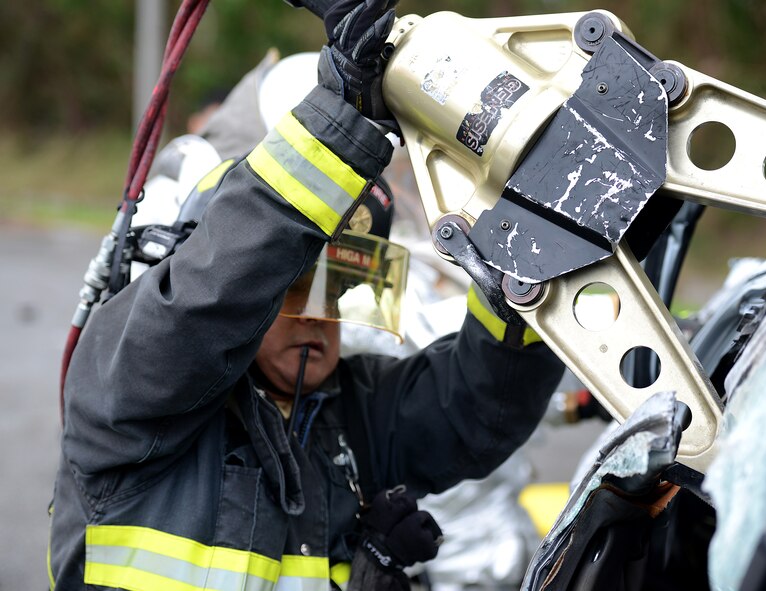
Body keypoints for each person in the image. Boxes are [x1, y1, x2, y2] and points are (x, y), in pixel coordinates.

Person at [47, 1, 564, 590]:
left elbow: (479, 407)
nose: (317, 320)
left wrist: (530, 264)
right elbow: (209, 295)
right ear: (248, 297)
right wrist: (341, 115)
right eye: (293, 290)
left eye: (339, 292)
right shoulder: (130, 384)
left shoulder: (349, 412)